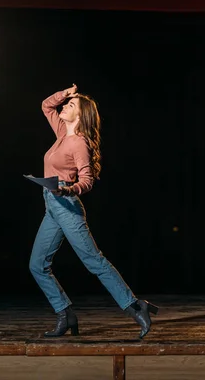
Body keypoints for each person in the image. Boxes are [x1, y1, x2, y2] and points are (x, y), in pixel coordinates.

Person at [29, 83, 158, 338]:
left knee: (94, 261)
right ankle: (65, 315)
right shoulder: (61, 133)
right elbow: (46, 105)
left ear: (81, 115)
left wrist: (66, 191)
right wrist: (67, 93)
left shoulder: (79, 143)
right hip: (52, 207)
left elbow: (86, 180)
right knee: (37, 265)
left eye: (71, 105)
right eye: (66, 104)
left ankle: (135, 306)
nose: (65, 106)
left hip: (66, 205)